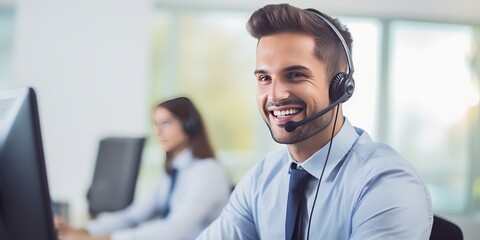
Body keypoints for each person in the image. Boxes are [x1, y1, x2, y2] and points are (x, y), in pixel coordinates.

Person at [197, 4, 433, 240]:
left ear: (340, 87)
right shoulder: (262, 178)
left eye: (295, 75)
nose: (275, 95)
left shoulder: (385, 183)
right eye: (265, 78)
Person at [56, 96, 231, 240]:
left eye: (166, 123)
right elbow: (134, 215)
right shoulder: (174, 171)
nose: (158, 132)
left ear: (188, 125)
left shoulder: (208, 173)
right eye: (156, 124)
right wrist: (84, 230)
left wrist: (103, 239)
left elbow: (175, 231)